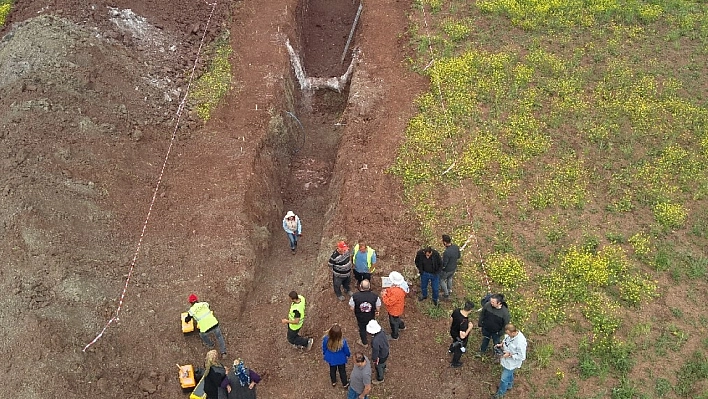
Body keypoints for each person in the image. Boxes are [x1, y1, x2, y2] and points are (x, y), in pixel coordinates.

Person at [185, 294, 228, 359]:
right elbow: (209, 307)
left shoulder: (191, 310)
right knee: (219, 337)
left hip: (205, 329)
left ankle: (211, 345)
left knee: (202, 335)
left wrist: (186, 321)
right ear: (197, 300)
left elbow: (188, 319)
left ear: (190, 303)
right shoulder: (204, 304)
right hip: (214, 324)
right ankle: (223, 352)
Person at [493, 324, 527, 398]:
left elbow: (522, 356)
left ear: (513, 332)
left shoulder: (520, 342)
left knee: (503, 379)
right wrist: (501, 344)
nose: (507, 335)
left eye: (509, 334)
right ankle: (509, 385)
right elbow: (506, 340)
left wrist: (510, 355)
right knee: (509, 374)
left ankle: (500, 394)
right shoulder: (510, 335)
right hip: (506, 360)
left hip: (512, 363)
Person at [349, 279, 381, 347]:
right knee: (372, 324)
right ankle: (373, 334)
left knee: (362, 329)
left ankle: (364, 343)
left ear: (360, 286)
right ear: (369, 287)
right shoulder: (375, 296)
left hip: (360, 317)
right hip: (371, 316)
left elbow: (352, 308)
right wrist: (377, 311)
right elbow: (378, 307)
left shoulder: (354, 296)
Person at [381, 271, 407, 340]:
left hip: (394, 310)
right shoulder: (401, 287)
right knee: (397, 318)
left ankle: (395, 335)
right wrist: (387, 291)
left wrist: (384, 295)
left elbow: (388, 302)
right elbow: (391, 291)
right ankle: (402, 326)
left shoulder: (396, 292)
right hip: (398, 308)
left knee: (393, 322)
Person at [449, 300, 475, 368]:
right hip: (459, 338)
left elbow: (451, 319)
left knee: (454, 341)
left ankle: (451, 349)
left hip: (453, 332)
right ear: (470, 310)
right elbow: (462, 336)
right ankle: (455, 363)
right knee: (458, 350)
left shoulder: (457, 311)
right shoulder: (464, 321)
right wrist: (469, 328)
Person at [367, 320, 389, 384]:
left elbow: (375, 352)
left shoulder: (375, 341)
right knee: (383, 363)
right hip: (386, 351)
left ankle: (380, 378)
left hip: (381, 356)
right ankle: (384, 368)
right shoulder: (382, 331)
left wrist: (374, 359)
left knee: (378, 366)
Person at [440, 234, 461, 300]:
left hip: (447, 270)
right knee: (450, 278)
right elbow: (459, 256)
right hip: (454, 267)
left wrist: (441, 268)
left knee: (441, 280)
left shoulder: (446, 252)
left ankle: (446, 294)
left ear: (445, 242)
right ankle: (449, 290)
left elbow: (444, 264)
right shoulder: (456, 247)